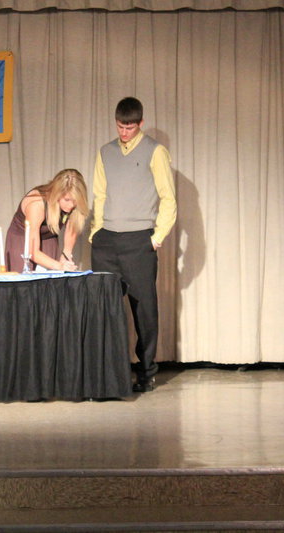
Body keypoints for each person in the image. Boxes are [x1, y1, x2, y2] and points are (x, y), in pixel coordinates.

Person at [89, 97, 176, 393]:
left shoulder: (155, 151)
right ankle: (108, 372)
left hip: (139, 240)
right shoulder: (106, 152)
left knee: (144, 309)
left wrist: (156, 237)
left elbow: (168, 198)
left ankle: (146, 370)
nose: (124, 132)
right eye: (120, 126)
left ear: (140, 123)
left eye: (129, 127)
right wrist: (96, 232)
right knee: (104, 308)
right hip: (107, 240)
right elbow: (100, 194)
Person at [4, 169, 88, 272]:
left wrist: (65, 256)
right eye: (67, 200)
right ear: (57, 193)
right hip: (23, 241)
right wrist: (59, 266)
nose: (71, 205)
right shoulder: (37, 204)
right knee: (25, 279)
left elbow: (72, 228)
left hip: (49, 239)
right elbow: (32, 251)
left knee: (50, 279)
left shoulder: (74, 206)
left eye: (75, 201)